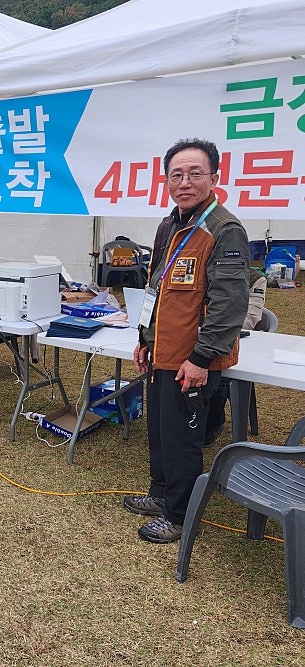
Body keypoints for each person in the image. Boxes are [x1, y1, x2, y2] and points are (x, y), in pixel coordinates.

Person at [126, 138, 250, 544]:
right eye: (176, 175)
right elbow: (158, 288)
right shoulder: (170, 225)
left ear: (214, 178)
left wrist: (200, 358)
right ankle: (161, 493)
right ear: (166, 181)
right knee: (161, 432)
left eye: (195, 174)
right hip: (162, 351)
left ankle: (178, 516)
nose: (185, 182)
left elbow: (229, 305)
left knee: (183, 439)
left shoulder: (224, 230)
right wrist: (145, 337)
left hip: (192, 361)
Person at [203, 266, 267, 446]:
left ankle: (213, 423)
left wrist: (218, 324)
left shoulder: (256, 279)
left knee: (220, 372)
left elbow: (251, 318)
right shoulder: (206, 272)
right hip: (205, 338)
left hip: (238, 344)